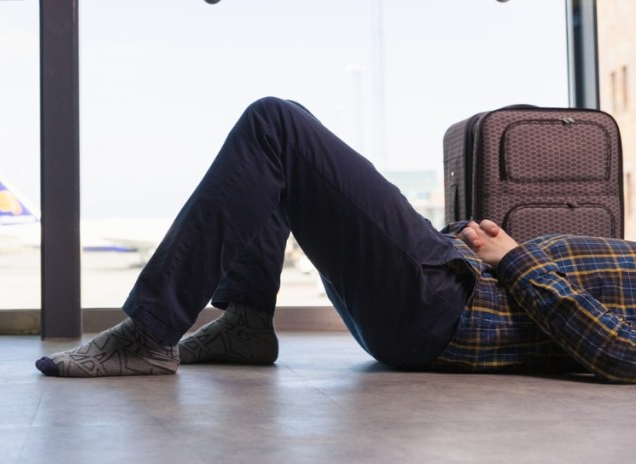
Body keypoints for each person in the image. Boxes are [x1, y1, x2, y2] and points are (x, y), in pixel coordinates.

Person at [35, 97, 636, 383]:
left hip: (447, 310)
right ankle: (245, 324)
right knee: (287, 164)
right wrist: (484, 242)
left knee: (276, 126)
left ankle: (149, 334)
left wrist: (517, 258)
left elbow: (618, 351)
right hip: (452, 284)